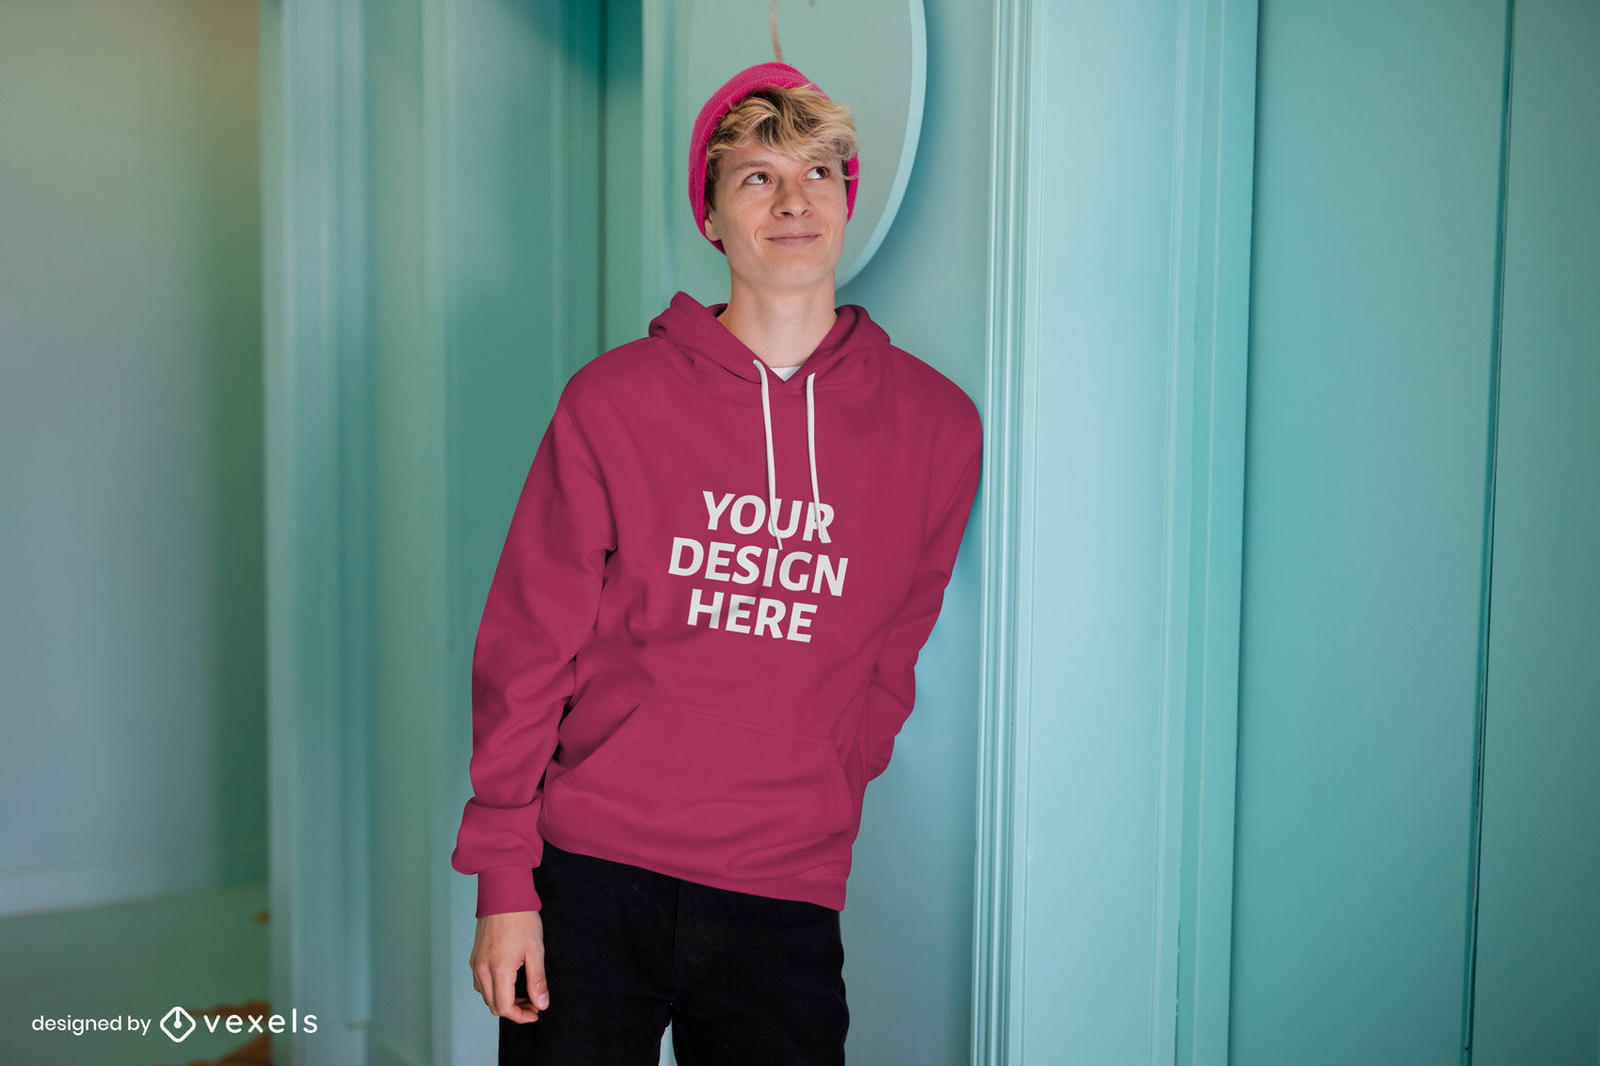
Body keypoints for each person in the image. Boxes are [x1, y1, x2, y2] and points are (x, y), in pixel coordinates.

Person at [452, 60, 984, 1065]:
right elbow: (527, 651)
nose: (793, 201)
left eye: (819, 174)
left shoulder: (938, 425)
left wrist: (827, 785)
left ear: (846, 200)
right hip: (592, 873)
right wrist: (503, 885)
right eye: (756, 177)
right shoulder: (611, 402)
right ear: (709, 214)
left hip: (784, 888)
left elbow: (893, 650)